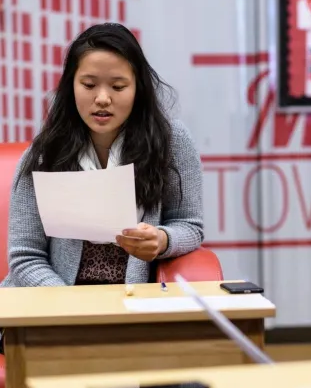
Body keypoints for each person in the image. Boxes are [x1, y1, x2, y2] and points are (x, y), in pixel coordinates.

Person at [1, 23, 204, 288]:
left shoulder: (170, 141)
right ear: (71, 85)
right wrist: (70, 307)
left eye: (118, 87)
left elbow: (190, 225)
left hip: (133, 304)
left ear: (138, 89)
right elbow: (25, 256)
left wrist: (163, 240)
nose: (102, 99)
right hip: (55, 302)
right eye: (88, 85)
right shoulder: (46, 153)